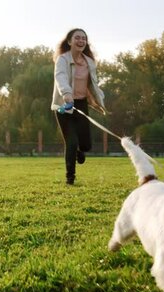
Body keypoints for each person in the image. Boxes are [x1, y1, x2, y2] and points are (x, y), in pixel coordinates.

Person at [51, 28, 106, 185]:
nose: (81, 41)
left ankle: (79, 152)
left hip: (81, 104)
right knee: (71, 141)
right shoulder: (62, 59)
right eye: (77, 38)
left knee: (86, 144)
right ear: (69, 41)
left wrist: (100, 101)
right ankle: (70, 178)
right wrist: (66, 93)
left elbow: (94, 84)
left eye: (84, 38)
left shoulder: (89, 62)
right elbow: (60, 77)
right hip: (64, 104)